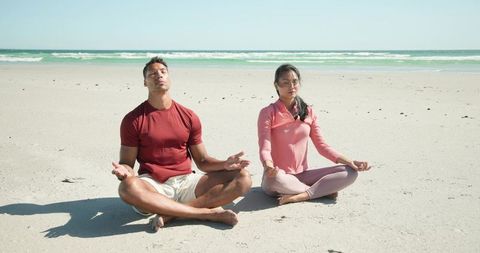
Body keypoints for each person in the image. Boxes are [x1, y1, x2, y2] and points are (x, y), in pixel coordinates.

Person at [112, 57, 252, 231]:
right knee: (127, 188)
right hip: (155, 187)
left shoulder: (188, 116)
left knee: (243, 177)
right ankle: (206, 214)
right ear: (145, 82)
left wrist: (225, 164)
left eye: (163, 72)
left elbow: (202, 161)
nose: (158, 76)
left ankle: (171, 214)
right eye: (152, 74)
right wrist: (124, 172)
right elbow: (128, 163)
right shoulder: (133, 120)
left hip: (187, 182)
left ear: (169, 78)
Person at [257, 64, 371, 205]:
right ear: (276, 85)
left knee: (350, 172)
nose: (291, 86)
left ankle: (301, 195)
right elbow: (265, 147)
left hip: (303, 176)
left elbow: (322, 146)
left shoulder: (308, 112)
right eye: (285, 83)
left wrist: (350, 162)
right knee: (276, 180)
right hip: (277, 176)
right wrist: (268, 167)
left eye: (294, 81)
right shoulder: (268, 112)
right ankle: (319, 191)